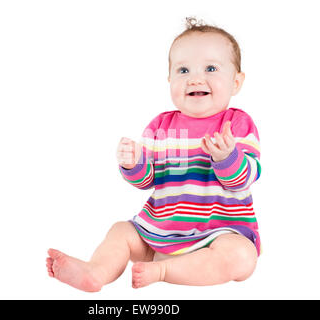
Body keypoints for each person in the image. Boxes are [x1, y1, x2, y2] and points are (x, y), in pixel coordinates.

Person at [46, 17, 262, 292]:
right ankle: (95, 272)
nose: (195, 78)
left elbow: (244, 179)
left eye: (210, 68)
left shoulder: (237, 125)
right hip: (159, 231)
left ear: (236, 82)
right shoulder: (161, 126)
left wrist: (227, 158)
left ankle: (162, 270)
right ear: (170, 79)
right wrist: (133, 163)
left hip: (217, 234)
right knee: (121, 231)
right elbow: (147, 180)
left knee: (243, 258)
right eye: (183, 70)